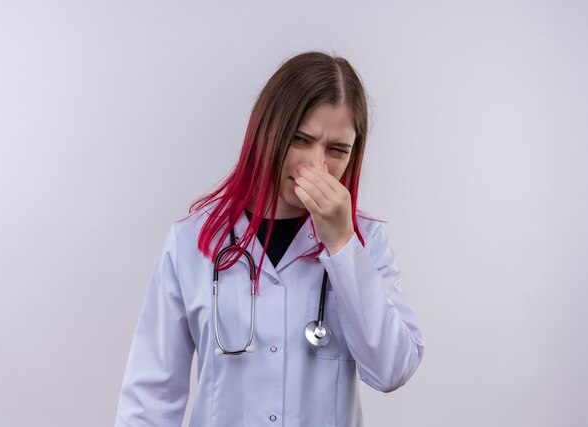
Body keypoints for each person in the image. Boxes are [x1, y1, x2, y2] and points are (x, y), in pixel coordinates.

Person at [114, 51, 424, 427]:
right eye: (299, 140)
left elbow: (391, 371)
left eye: (337, 150)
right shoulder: (193, 241)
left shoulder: (366, 243)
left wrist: (343, 247)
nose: (315, 165)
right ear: (267, 132)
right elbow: (151, 396)